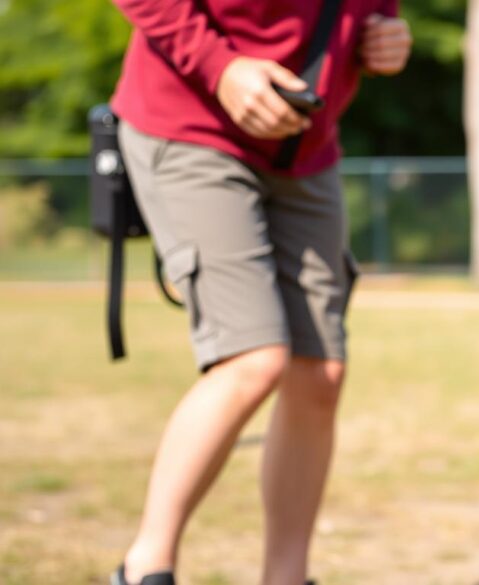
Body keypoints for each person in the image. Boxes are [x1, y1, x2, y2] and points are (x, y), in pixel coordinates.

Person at [107, 1, 411, 583]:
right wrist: (220, 66)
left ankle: (286, 576)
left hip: (307, 149)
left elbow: (374, 13)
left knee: (319, 372)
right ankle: (147, 565)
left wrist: (386, 37)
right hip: (192, 125)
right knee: (253, 357)